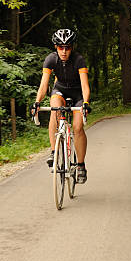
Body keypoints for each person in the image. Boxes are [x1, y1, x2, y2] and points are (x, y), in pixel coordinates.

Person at [32, 29, 91, 183]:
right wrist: (37, 102)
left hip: (78, 94)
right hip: (60, 91)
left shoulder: (79, 60)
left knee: (78, 127)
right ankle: (54, 151)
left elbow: (85, 86)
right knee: (55, 110)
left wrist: (85, 103)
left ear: (72, 47)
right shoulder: (50, 59)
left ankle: (80, 165)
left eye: (68, 47)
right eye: (60, 47)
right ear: (55, 47)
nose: (64, 51)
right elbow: (44, 85)